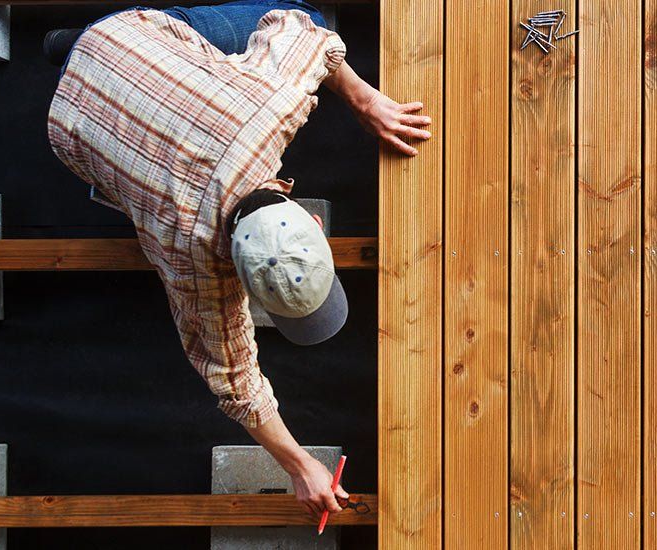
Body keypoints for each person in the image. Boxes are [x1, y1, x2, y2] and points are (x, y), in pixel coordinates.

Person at [43, 0, 431, 516]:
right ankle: (76, 57)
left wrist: (365, 102)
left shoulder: (267, 107)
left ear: (313, 222)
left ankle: (74, 49)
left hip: (118, 45)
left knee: (301, 12)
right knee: (300, 10)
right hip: (69, 121)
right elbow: (232, 379)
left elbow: (308, 35)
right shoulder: (189, 262)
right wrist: (297, 465)